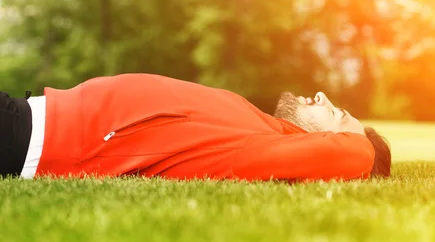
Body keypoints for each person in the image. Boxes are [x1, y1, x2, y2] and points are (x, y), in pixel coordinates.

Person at [0, 73, 391, 181]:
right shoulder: (259, 125)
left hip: (34, 137)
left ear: (330, 141)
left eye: (336, 114)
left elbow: (352, 154)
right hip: (32, 114)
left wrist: (364, 145)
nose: (323, 96)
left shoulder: (257, 149)